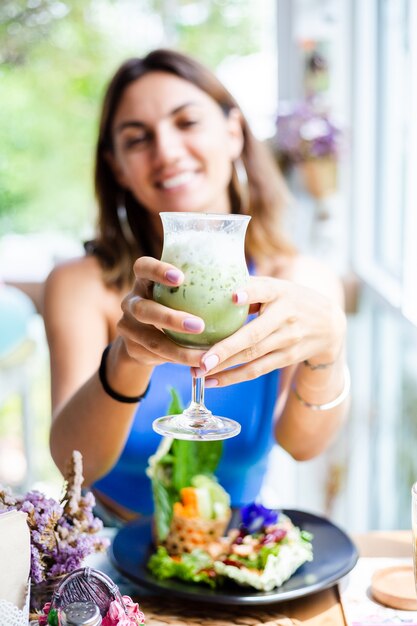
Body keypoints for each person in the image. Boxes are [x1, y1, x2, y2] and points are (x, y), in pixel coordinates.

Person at [43, 48, 349, 524]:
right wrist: (128, 357)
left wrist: (328, 351)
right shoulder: (81, 284)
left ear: (233, 133)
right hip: (109, 554)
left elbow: (303, 445)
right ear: (118, 165)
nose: (165, 150)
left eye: (186, 123)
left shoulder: (297, 282)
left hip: (231, 552)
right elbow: (70, 463)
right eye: (137, 138)